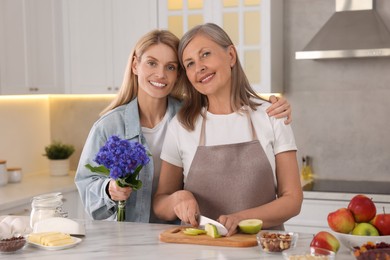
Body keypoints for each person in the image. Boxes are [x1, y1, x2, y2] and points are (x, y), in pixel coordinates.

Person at [75, 28, 293, 223]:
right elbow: (87, 184)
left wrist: (269, 107)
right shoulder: (113, 126)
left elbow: (292, 198)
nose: (161, 74)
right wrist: (109, 188)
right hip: (136, 235)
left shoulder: (185, 116)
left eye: (170, 67)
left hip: (181, 235)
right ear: (135, 65)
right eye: (151, 63)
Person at [153, 23, 303, 234]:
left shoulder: (271, 115)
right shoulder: (182, 126)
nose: (199, 67)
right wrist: (178, 198)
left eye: (205, 54)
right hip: (198, 252)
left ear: (231, 55)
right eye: (189, 63)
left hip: (262, 249)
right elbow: (160, 204)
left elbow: (292, 200)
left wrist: (241, 218)